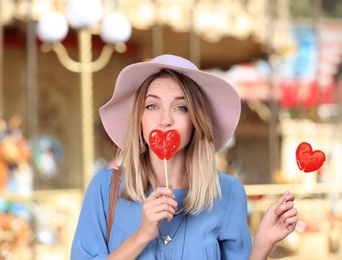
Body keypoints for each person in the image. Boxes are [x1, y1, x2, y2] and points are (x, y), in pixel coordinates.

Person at [71, 54, 298, 259]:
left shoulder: (227, 193)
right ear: (138, 119)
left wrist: (261, 244)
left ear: (196, 121)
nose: (165, 120)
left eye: (181, 107)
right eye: (152, 106)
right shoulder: (104, 189)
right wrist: (142, 235)